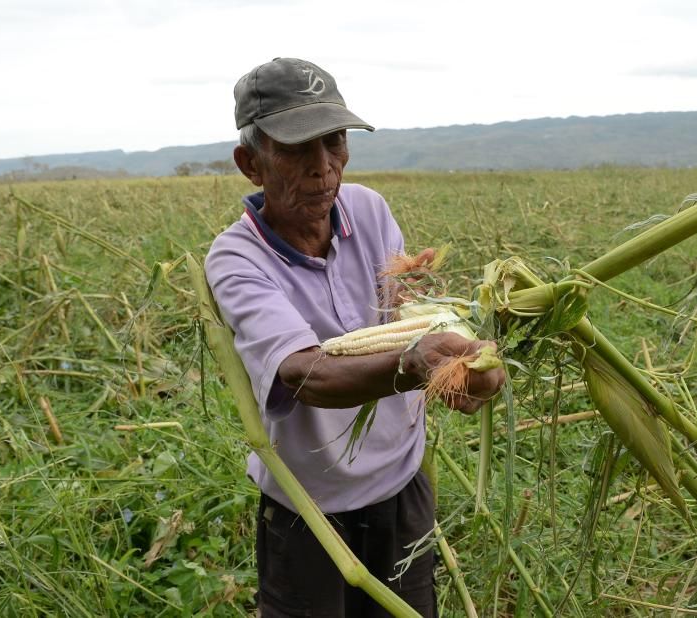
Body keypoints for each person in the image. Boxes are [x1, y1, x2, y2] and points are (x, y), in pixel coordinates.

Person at [205, 57, 505, 617]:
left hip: (401, 484)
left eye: (335, 141)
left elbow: (401, 315)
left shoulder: (368, 210)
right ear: (251, 163)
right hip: (307, 505)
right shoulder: (236, 257)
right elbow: (302, 373)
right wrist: (415, 365)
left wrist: (460, 367)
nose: (324, 168)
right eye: (297, 149)